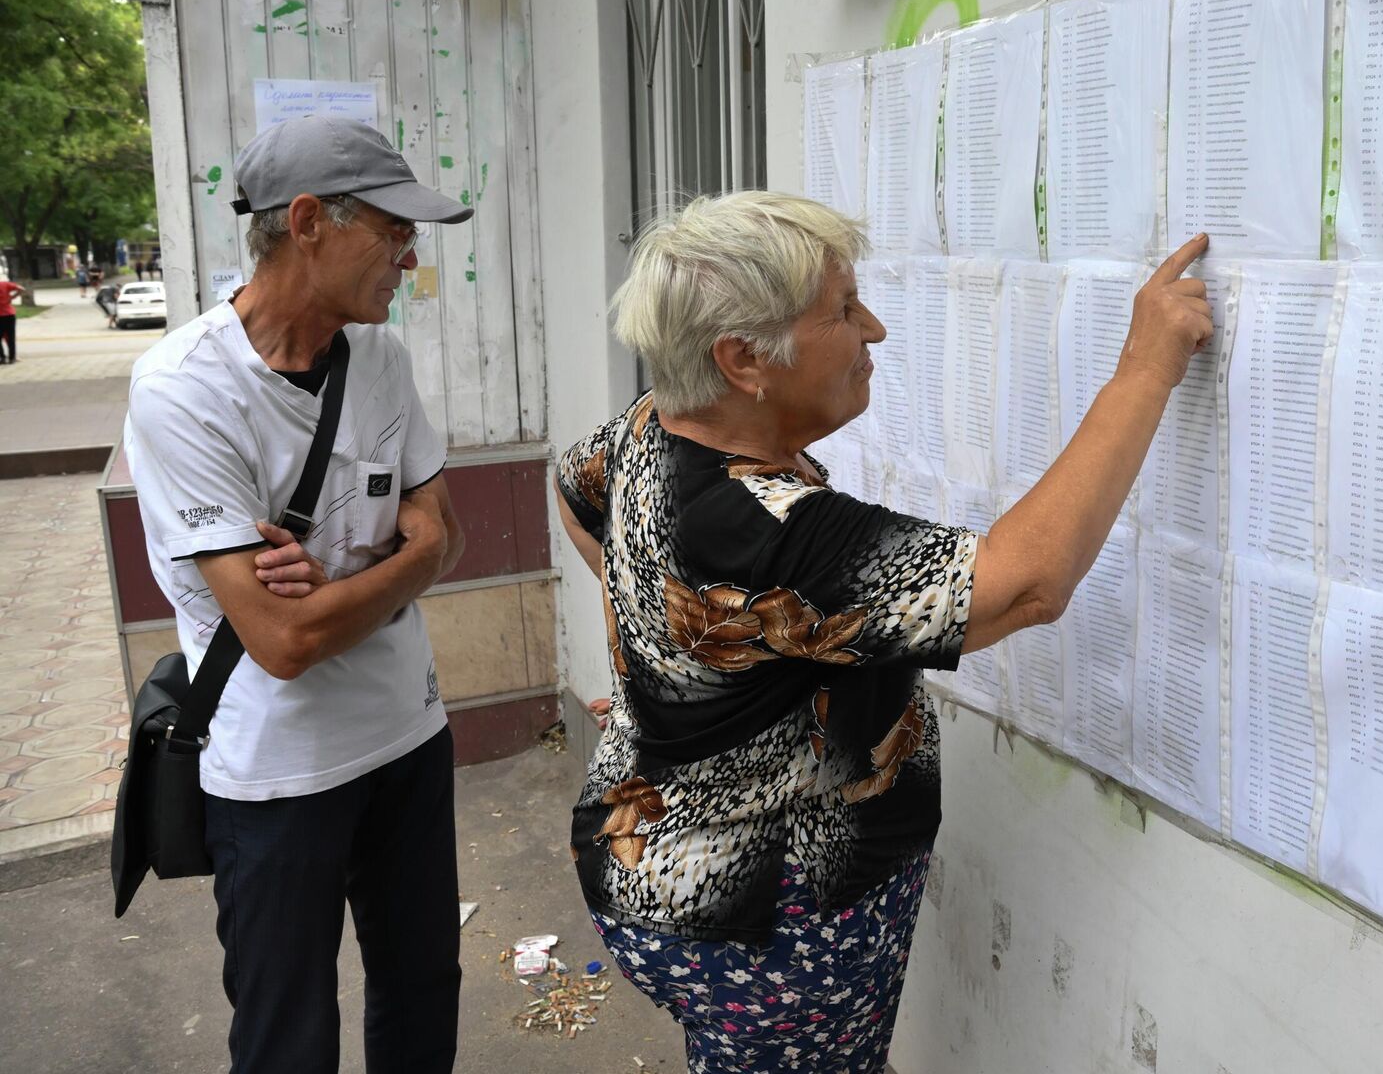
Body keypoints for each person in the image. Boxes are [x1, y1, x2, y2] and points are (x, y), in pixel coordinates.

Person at [554, 191, 1211, 1072]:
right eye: (842, 312)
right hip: (763, 922)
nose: (876, 330)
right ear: (744, 358)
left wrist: (673, 664)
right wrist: (1144, 367)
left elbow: (571, 491)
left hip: (654, 880)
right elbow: (1029, 585)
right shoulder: (767, 526)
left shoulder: (653, 424)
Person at [123, 114, 472, 1074]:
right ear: (309, 220)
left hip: (407, 736)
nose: (411, 254)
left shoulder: (384, 360)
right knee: (287, 1035)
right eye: (395, 230)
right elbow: (281, 641)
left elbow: (449, 533)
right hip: (275, 772)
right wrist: (405, 560)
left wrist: (358, 583)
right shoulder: (183, 390)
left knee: (421, 993)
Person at [0, 276, 23, 363]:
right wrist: (12, 297)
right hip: (10, 314)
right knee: (10, 337)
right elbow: (21, 289)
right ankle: (12, 358)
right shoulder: (5, 284)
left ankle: (2, 358)